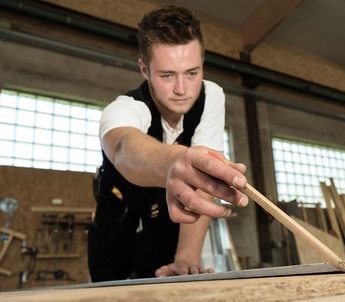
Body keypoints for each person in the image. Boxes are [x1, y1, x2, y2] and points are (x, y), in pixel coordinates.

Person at [88, 4, 249, 282]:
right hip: (118, 216)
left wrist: (187, 257)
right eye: (166, 75)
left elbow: (202, 182)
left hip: (167, 216)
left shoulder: (211, 97)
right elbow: (122, 147)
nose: (182, 89)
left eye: (192, 72)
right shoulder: (123, 108)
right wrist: (176, 161)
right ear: (144, 69)